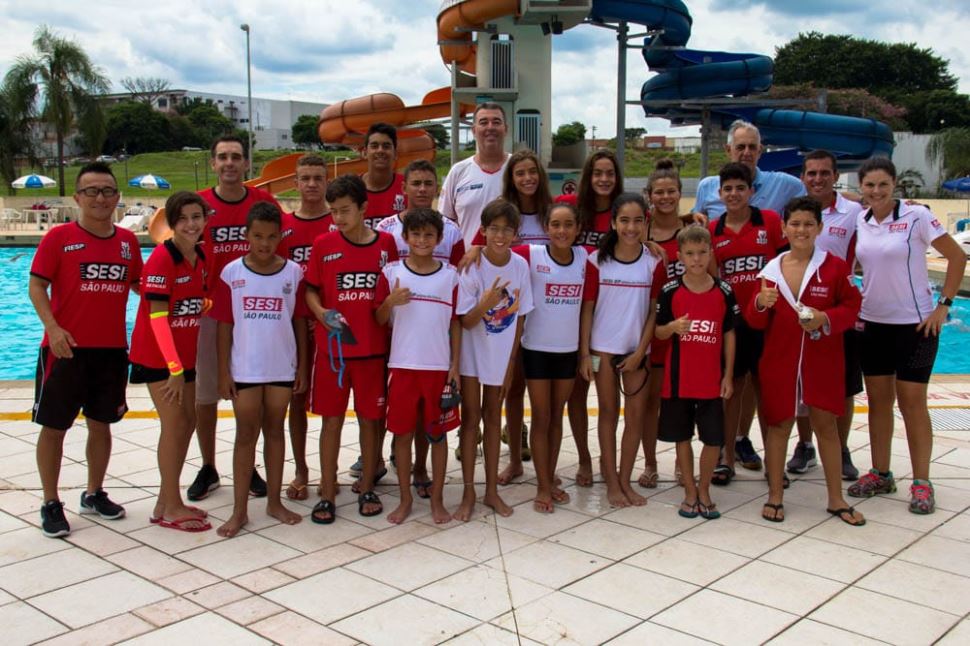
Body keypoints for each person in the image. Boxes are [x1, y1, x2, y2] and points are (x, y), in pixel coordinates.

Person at [29, 162, 143, 538]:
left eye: (108, 191)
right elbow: (36, 287)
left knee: (102, 425)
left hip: (110, 351)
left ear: (117, 198)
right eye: (92, 191)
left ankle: (94, 493)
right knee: (54, 427)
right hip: (65, 349)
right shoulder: (59, 238)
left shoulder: (127, 243)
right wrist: (53, 329)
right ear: (78, 197)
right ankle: (50, 501)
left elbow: (143, 288)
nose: (100, 198)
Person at [848, 157, 966, 514]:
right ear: (862, 189)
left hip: (915, 326)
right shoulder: (862, 219)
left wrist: (942, 305)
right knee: (878, 403)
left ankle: (921, 481)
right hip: (872, 323)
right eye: (870, 185)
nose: (876, 191)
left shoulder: (916, 217)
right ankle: (881, 472)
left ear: (895, 185)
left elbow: (957, 257)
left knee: (913, 403)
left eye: (883, 184)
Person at [747, 197, 865, 525]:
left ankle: (836, 498)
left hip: (821, 360)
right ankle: (774, 495)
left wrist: (825, 318)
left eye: (808, 224)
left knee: (825, 424)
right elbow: (755, 322)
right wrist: (759, 302)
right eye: (795, 224)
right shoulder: (770, 271)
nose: (801, 230)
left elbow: (852, 307)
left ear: (820, 228)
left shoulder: (834, 268)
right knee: (779, 425)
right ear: (783, 228)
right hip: (780, 360)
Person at [189, 135, 280, 502]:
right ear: (213, 163)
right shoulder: (198, 206)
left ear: (247, 164)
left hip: (256, 312)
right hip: (212, 312)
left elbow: (281, 255)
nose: (229, 163)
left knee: (254, 394)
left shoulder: (263, 203)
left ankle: (250, 465)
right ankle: (208, 465)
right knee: (206, 393)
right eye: (222, 157)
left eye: (236, 157)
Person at [304, 174, 399, 524]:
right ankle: (327, 491)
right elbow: (311, 290)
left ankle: (368, 485)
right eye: (333, 212)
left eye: (345, 210)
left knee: (371, 421)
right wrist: (320, 312)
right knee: (331, 422)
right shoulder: (323, 245)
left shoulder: (386, 244)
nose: (338, 218)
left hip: (373, 352)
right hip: (334, 354)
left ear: (363, 208)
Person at [211, 202, 307, 537]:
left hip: (282, 366)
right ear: (246, 236)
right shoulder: (232, 273)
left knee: (275, 432)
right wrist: (224, 372)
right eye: (258, 236)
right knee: (245, 436)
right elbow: (224, 326)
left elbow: (299, 323)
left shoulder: (293, 273)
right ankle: (239, 511)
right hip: (246, 369)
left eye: (271, 236)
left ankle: (274, 502)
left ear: (281, 236)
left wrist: (303, 368)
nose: (265, 243)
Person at [376, 159, 465, 499]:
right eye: (417, 183)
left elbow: (455, 318)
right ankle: (395, 481)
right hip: (400, 357)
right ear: (405, 187)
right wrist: (389, 303)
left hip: (437, 361)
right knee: (400, 427)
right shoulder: (389, 247)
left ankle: (423, 473)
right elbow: (379, 312)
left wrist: (455, 364)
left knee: (435, 430)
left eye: (429, 183)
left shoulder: (449, 265)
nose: (423, 189)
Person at [470, 150, 554, 485]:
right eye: (520, 173)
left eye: (532, 172)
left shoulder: (551, 210)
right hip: (508, 310)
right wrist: (474, 249)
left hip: (545, 311)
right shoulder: (504, 212)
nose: (527, 179)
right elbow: (478, 246)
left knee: (539, 393)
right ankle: (516, 459)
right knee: (513, 386)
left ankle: (542, 462)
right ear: (511, 178)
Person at [129, 192, 210, 532]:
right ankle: (170, 504)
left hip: (185, 358)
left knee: (187, 422)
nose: (191, 225)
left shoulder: (200, 255)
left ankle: (166, 500)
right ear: (172, 223)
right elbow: (158, 319)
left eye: (196, 217)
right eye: (183, 219)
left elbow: (197, 302)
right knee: (175, 425)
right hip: (160, 359)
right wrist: (174, 369)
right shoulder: (163, 259)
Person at [580, 193, 665, 508]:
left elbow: (654, 312)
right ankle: (611, 482)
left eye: (637, 220)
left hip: (636, 352)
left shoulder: (654, 262)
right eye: (624, 220)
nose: (631, 227)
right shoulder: (595, 261)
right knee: (607, 414)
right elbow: (587, 309)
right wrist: (584, 354)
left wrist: (640, 351)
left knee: (635, 417)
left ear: (646, 222)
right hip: (602, 350)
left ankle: (626, 480)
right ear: (613, 223)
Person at [454, 198, 534, 521]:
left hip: (501, 358)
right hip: (473, 356)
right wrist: (486, 302)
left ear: (516, 234)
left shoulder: (520, 266)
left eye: (507, 230)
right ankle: (468, 491)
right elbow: (466, 321)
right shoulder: (471, 267)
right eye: (494, 229)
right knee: (471, 421)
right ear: (483, 231)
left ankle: (491, 491)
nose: (500, 236)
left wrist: (512, 360)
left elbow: (520, 320)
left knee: (493, 418)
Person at [708, 162, 787, 486]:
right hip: (734, 325)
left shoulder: (769, 221)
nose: (734, 193)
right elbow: (712, 280)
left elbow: (786, 265)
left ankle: (774, 464)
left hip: (768, 322)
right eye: (728, 188)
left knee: (768, 394)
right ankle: (726, 460)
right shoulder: (714, 229)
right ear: (720, 193)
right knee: (732, 393)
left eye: (741, 188)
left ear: (751, 191)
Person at [787, 150, 864, 480]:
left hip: (838, 312)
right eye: (811, 173)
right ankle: (805, 445)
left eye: (824, 173)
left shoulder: (853, 212)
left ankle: (841, 447)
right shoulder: (796, 211)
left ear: (835, 175)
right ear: (803, 177)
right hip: (801, 313)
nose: (817, 178)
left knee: (844, 388)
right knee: (802, 384)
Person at [655, 226, 737, 520]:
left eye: (702, 253)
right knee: (683, 437)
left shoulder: (723, 291)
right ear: (679, 257)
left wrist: (727, 375)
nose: (697, 259)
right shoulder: (670, 290)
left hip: (711, 382)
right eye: (690, 254)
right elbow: (658, 332)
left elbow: (729, 334)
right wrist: (672, 327)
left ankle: (705, 489)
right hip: (679, 380)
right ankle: (689, 491)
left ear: (711, 253)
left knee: (714, 440)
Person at [558, 150, 624, 488]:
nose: (603, 179)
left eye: (609, 173)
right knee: (577, 394)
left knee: (610, 398)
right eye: (597, 173)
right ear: (588, 175)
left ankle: (609, 460)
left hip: (610, 316)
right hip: (573, 314)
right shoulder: (570, 205)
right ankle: (584, 457)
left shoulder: (621, 212)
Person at [514, 202, 586, 512]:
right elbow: (496, 247)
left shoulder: (586, 259)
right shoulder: (531, 254)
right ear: (546, 228)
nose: (562, 231)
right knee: (541, 418)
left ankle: (549, 474)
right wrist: (475, 249)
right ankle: (542, 486)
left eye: (568, 224)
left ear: (578, 229)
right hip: (537, 350)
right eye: (555, 225)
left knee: (557, 417)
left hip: (568, 352)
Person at [277, 154, 333, 501]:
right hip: (291, 330)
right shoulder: (282, 228)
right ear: (295, 183)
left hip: (330, 330)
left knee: (334, 406)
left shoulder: (339, 222)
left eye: (317, 177)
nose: (311, 184)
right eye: (305, 178)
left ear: (327, 182)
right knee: (296, 402)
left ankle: (332, 470)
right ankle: (300, 468)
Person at [354, 122, 406, 482]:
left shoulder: (406, 188)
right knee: (369, 390)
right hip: (361, 306)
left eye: (386, 145)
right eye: (374, 145)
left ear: (395, 152)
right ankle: (367, 452)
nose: (380, 151)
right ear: (364, 151)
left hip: (399, 303)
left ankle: (394, 447)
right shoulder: (353, 190)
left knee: (397, 384)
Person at [639, 159, 686, 489]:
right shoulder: (641, 235)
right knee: (650, 402)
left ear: (681, 194)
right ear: (650, 196)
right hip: (652, 330)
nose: (665, 197)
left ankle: (682, 465)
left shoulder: (693, 231)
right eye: (659, 192)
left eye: (671, 191)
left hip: (686, 331)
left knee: (683, 402)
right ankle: (651, 463)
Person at [693, 120, 805, 220]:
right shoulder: (707, 187)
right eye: (740, 147)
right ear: (728, 150)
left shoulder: (782, 184)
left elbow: (814, 198)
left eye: (752, 147)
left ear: (760, 150)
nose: (746, 153)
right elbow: (695, 222)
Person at [440, 102, 511, 245]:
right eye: (483, 122)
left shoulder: (519, 169)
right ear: (474, 130)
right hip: (468, 264)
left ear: (506, 129)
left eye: (496, 122)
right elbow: (445, 223)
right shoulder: (458, 171)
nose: (490, 127)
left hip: (512, 263)